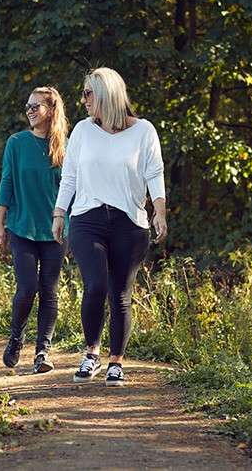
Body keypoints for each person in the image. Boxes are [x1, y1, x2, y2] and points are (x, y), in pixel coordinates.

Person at [52, 67, 167, 387]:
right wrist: (59, 213)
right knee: (96, 285)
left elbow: (154, 173)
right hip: (87, 219)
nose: (83, 100)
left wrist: (159, 212)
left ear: (106, 94)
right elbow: (70, 176)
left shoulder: (143, 131)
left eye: (88, 93)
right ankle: (91, 353)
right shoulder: (83, 130)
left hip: (129, 223)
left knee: (120, 294)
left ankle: (116, 361)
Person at [0, 86, 70, 374]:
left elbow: (74, 188)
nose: (30, 111)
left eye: (36, 106)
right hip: (22, 227)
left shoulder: (66, 147)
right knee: (27, 288)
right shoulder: (17, 142)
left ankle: (42, 351)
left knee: (49, 290)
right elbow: (7, 182)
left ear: (51, 110)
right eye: (28, 106)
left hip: (55, 230)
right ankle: (16, 338)